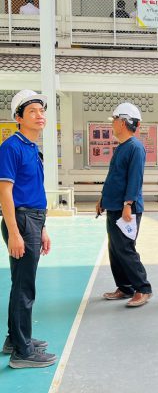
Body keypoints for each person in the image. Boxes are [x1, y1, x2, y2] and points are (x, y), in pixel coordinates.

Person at [0, 90, 56, 368]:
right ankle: (22, 353)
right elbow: (5, 192)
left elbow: (35, 192)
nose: (39, 115)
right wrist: (14, 232)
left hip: (32, 220)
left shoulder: (33, 148)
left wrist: (42, 228)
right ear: (19, 118)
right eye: (32, 111)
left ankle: (16, 339)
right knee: (25, 288)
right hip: (21, 221)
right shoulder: (11, 147)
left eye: (41, 110)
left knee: (21, 284)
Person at [97, 103, 152, 308]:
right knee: (115, 249)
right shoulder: (122, 146)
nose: (112, 124)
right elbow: (114, 177)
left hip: (126, 208)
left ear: (123, 122)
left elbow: (135, 179)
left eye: (114, 120)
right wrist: (103, 199)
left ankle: (143, 288)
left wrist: (128, 204)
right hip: (114, 207)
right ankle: (125, 287)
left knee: (125, 248)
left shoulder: (135, 147)